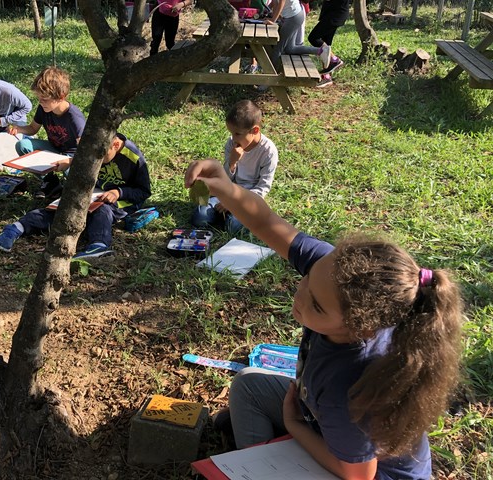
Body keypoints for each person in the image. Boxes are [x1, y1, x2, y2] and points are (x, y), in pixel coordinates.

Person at [185, 159, 463, 480]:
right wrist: (228, 189)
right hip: (326, 425)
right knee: (249, 385)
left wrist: (294, 425)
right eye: (306, 278)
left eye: (316, 306)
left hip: (366, 473)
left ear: (360, 328)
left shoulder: (348, 384)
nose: (300, 297)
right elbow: (265, 222)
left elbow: (359, 474)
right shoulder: (333, 273)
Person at [0, 133, 151, 260]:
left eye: (101, 156)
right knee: (63, 208)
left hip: (121, 200)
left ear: (115, 145)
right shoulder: (95, 145)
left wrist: (119, 192)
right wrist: (70, 162)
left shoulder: (134, 158)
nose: (97, 161)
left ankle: (99, 246)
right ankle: (17, 227)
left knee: (102, 211)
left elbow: (144, 191)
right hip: (92, 193)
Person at [191, 100, 278, 234]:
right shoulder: (231, 143)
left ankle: (228, 217)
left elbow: (263, 188)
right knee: (199, 217)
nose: (234, 138)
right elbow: (224, 179)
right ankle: (220, 214)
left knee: (233, 226)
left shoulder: (268, 151)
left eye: (238, 134)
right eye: (231, 133)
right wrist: (232, 163)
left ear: (255, 130)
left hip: (248, 199)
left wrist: (235, 203)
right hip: (227, 192)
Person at [7, 66, 86, 199]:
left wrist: (69, 161)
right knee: (23, 145)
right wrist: (19, 129)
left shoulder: (74, 117)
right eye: (39, 98)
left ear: (61, 97)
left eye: (44, 99)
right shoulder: (44, 108)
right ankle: (50, 181)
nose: (40, 102)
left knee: (74, 184)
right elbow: (33, 129)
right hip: (54, 149)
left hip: (72, 156)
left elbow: (85, 150)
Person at [263, 0, 333, 74]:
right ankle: (320, 51)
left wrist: (273, 20)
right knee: (290, 49)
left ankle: (270, 75)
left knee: (278, 49)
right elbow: (275, 1)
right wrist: (266, 9)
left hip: (293, 17)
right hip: (293, 16)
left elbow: (281, 2)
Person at [307, 0, 349, 87]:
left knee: (313, 38)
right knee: (326, 44)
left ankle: (334, 60)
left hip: (335, 14)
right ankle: (326, 77)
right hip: (331, 13)